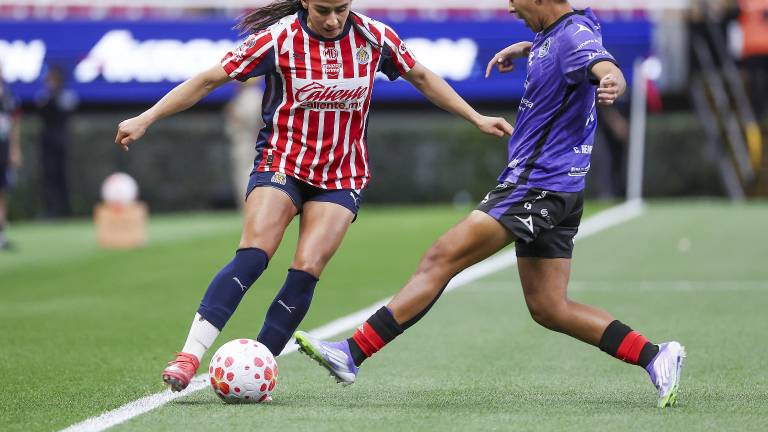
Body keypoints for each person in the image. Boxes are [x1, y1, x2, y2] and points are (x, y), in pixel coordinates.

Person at [294, 0, 686, 409]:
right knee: (549, 307)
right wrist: (526, 49)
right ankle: (656, 355)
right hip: (560, 189)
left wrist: (613, 81)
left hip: (536, 187)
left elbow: (601, 64)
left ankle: (351, 353)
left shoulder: (573, 37)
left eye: (516, 0)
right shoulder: (566, 27)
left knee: (441, 258)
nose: (511, 7)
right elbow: (573, 44)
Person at [114, 0, 513, 392]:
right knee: (254, 254)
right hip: (283, 164)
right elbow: (207, 80)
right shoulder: (278, 39)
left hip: (342, 175)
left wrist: (476, 117)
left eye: (341, 9)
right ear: (305, 3)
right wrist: (146, 118)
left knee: (306, 269)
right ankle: (188, 355)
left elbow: (423, 77)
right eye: (323, 10)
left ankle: (259, 369)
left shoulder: (374, 37)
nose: (333, 19)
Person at [36, 66, 77, 219]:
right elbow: (41, 112)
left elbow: (66, 112)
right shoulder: (44, 96)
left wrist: (53, 96)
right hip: (47, 141)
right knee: (49, 176)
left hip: (61, 140)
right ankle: (50, 210)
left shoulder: (66, 96)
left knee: (62, 176)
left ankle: (65, 210)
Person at [225, 79, 265, 206]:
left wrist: (233, 113)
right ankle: (247, 206)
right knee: (242, 175)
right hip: (244, 141)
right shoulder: (242, 96)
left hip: (251, 142)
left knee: (247, 175)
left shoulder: (253, 96)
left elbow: (250, 121)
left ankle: (250, 206)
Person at [0, 63, 22, 250]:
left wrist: (14, 149)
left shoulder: (7, 96)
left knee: (2, 190)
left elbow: (14, 124)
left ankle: (1, 233)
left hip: (3, 149)